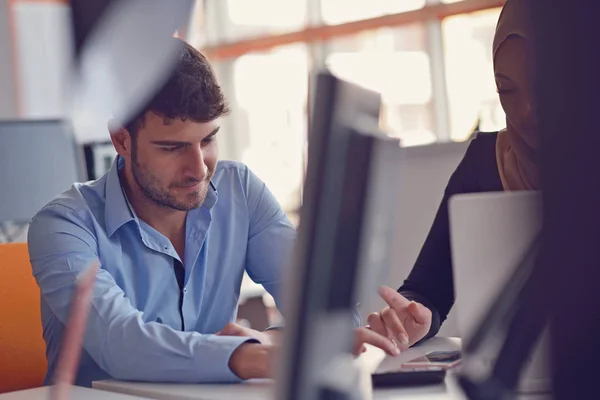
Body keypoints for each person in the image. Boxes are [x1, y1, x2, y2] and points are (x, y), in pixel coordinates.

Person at [28, 38, 297, 386]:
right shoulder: (63, 225)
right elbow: (121, 345)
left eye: (208, 140)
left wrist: (270, 343)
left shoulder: (240, 190)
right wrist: (247, 355)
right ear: (121, 140)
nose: (199, 169)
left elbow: (322, 308)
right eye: (173, 147)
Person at [362, 0, 539, 350]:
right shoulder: (486, 162)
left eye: (543, 85)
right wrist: (415, 318)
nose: (525, 110)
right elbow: (428, 290)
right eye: (507, 90)